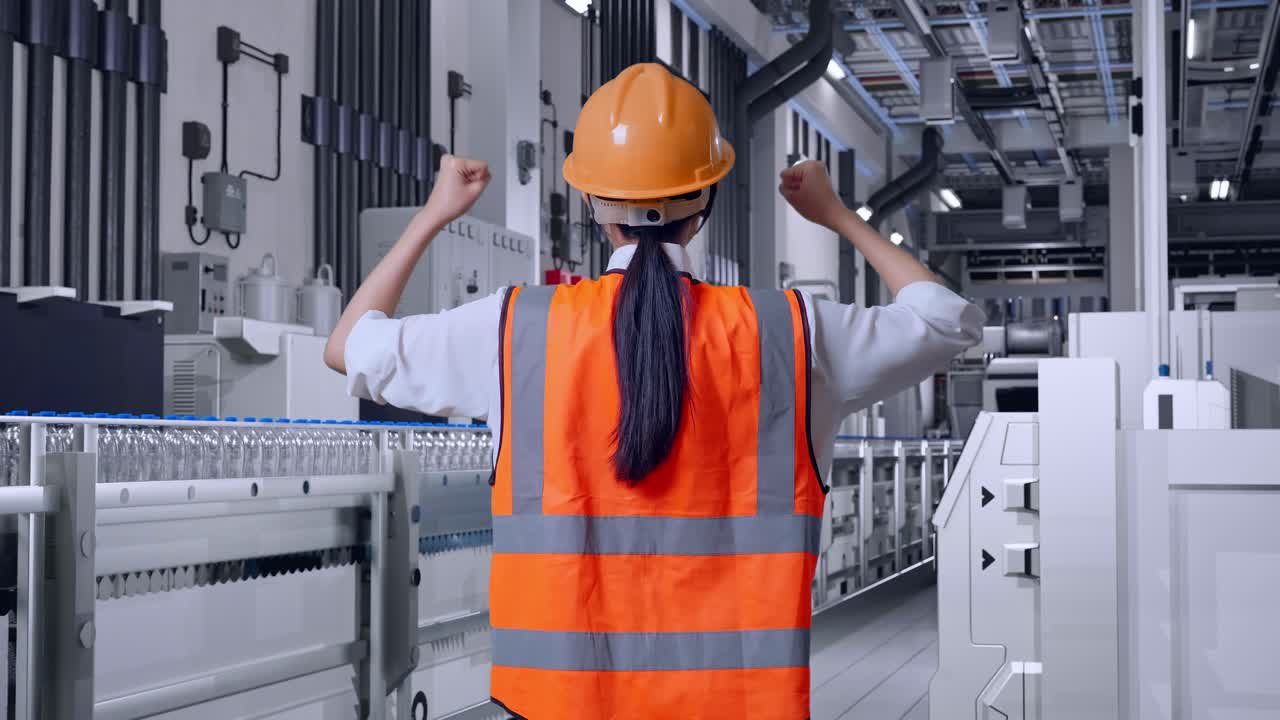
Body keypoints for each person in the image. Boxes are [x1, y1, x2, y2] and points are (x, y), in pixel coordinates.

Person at [326, 63, 983, 720]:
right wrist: (838, 216)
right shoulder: (791, 333)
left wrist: (434, 213)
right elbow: (946, 321)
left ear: (590, 204)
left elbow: (347, 345)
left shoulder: (511, 330)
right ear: (705, 203)